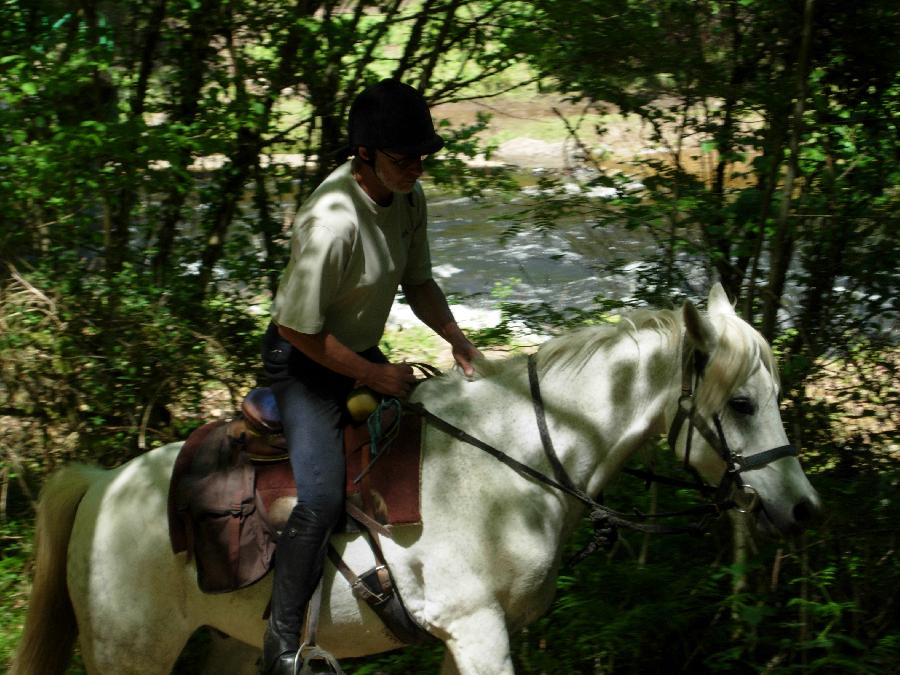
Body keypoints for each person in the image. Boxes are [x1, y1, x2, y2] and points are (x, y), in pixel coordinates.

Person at [259, 78, 482, 675]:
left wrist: (458, 341)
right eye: (402, 158)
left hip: (356, 351)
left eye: (421, 157)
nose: (415, 168)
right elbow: (298, 329)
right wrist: (375, 376)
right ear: (363, 154)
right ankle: (282, 648)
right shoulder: (331, 222)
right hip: (302, 365)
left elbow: (419, 283)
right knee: (323, 498)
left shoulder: (407, 197)